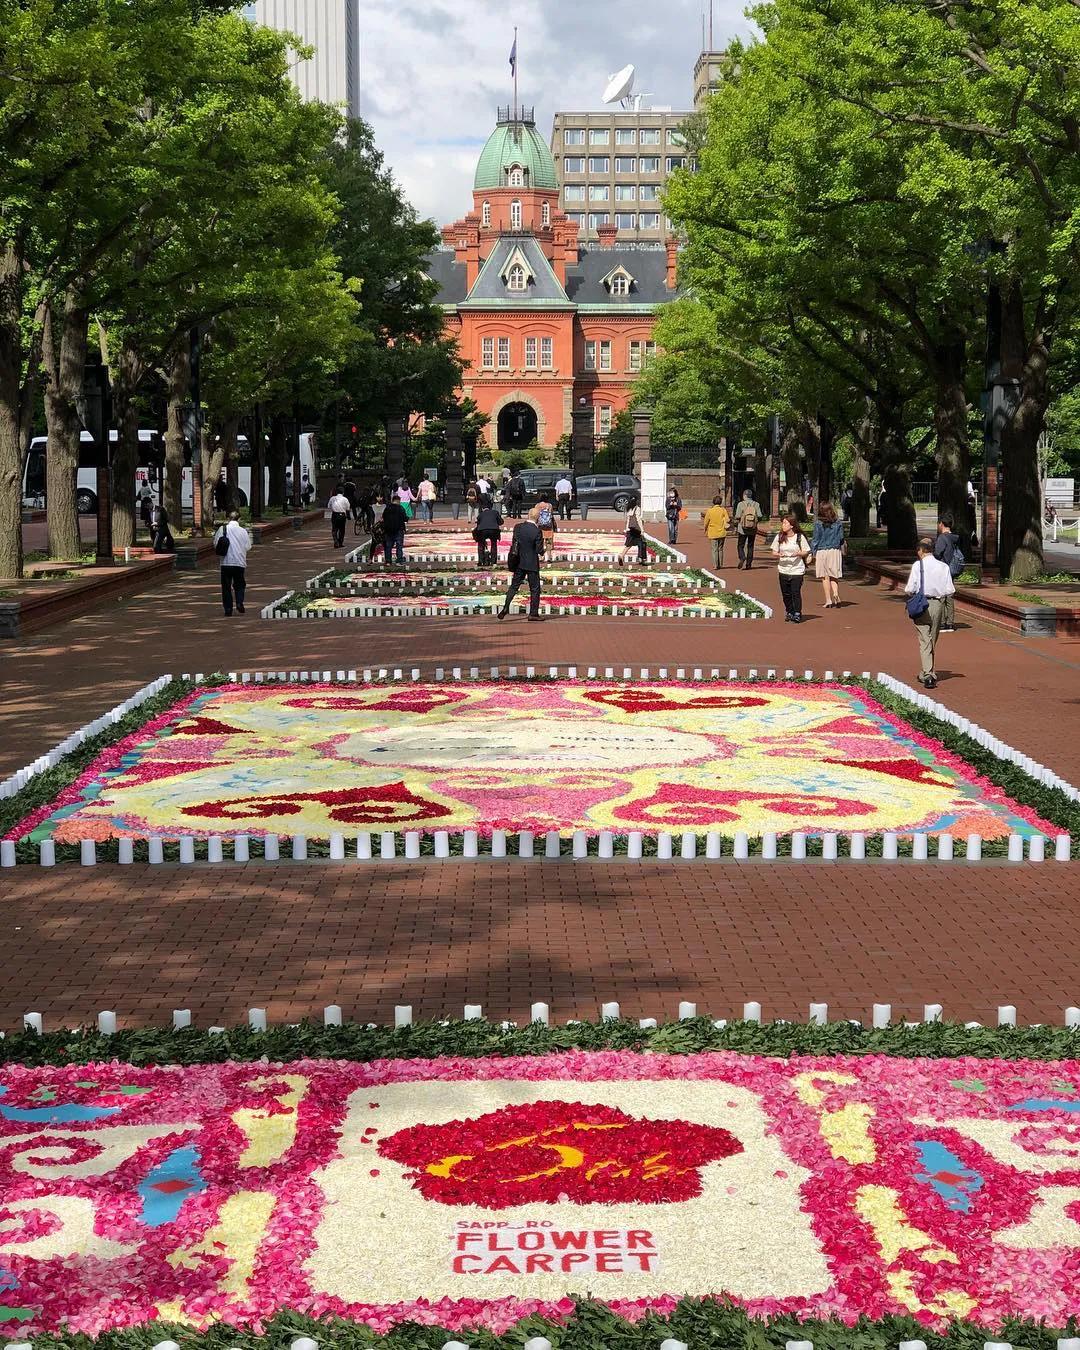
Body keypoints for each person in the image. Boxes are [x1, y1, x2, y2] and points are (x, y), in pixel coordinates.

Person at [904, 536, 956, 689]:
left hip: (922, 604)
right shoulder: (943, 567)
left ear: (921, 550)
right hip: (938, 604)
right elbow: (949, 590)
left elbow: (910, 588)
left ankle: (928, 674)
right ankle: (928, 671)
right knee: (932, 638)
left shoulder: (917, 565)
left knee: (924, 639)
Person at [498, 506, 545, 621]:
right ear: (538, 518)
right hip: (532, 563)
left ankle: (505, 608)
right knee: (534, 589)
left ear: (528, 515)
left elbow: (515, 543)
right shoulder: (537, 531)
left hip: (519, 562)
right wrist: (543, 549)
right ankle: (533, 613)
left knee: (514, 586)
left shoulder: (518, 527)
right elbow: (539, 550)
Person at [770, 512, 811, 623]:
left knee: (795, 592)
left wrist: (798, 553)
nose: (783, 525)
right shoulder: (779, 537)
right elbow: (774, 551)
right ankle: (789, 611)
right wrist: (779, 554)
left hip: (797, 570)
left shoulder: (799, 537)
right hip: (783, 569)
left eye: (785, 523)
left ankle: (797, 613)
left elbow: (806, 551)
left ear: (791, 525)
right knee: (786, 594)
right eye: (782, 523)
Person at [810, 502, 846, 608]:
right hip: (834, 551)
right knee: (834, 575)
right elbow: (841, 538)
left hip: (822, 551)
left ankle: (828, 600)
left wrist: (813, 552)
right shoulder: (838, 523)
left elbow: (816, 539)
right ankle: (835, 593)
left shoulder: (818, 523)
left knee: (825, 576)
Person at [215, 511, 251, 616]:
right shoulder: (243, 531)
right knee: (239, 584)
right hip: (239, 562)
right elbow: (248, 546)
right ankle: (239, 602)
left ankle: (228, 609)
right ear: (239, 519)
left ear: (228, 518)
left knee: (226, 587)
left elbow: (216, 544)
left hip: (225, 562)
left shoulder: (222, 529)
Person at [933, 513, 963, 633]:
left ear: (941, 524)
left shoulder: (942, 538)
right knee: (949, 596)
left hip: (942, 570)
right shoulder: (955, 538)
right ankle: (950, 623)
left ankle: (941, 623)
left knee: (941, 596)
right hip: (952, 568)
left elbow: (937, 554)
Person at [734, 489, 762, 569]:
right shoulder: (756, 504)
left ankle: (742, 557)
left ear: (744, 495)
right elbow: (760, 515)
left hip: (742, 529)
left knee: (740, 545)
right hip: (753, 529)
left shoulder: (741, 504)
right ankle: (749, 564)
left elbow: (738, 516)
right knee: (750, 546)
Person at [701, 493, 730, 570]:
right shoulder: (723, 510)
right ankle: (721, 564)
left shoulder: (710, 511)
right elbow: (727, 520)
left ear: (713, 502)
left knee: (714, 549)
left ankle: (715, 565)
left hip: (713, 532)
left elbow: (706, 522)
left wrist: (705, 529)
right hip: (722, 532)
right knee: (720, 549)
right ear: (720, 502)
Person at [619, 496, 648, 566]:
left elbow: (628, 520)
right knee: (641, 543)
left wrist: (627, 529)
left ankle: (622, 555)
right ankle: (642, 559)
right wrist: (642, 530)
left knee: (628, 544)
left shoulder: (628, 509)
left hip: (630, 529)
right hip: (636, 530)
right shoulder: (637, 508)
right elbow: (638, 519)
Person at [474, 497, 503, 565]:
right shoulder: (495, 512)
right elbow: (501, 522)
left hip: (482, 530)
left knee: (480, 544)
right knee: (493, 544)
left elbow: (478, 524)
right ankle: (493, 561)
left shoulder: (480, 514)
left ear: (483, 508)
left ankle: (481, 561)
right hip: (494, 530)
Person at [381, 494, 408, 564]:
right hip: (399, 529)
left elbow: (383, 517)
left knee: (388, 546)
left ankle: (388, 561)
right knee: (399, 546)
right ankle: (399, 560)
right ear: (398, 501)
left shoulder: (387, 508)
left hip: (388, 530)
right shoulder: (401, 508)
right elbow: (405, 518)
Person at [327, 482, 352, 548]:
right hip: (342, 515)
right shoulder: (345, 499)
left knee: (334, 529)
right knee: (342, 529)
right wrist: (348, 517)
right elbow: (348, 509)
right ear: (343, 492)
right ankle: (340, 543)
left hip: (335, 515)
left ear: (336, 492)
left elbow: (328, 506)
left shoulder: (332, 498)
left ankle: (335, 541)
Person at [536, 493, 556, 564]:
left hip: (540, 527)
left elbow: (536, 515)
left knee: (540, 542)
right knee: (548, 542)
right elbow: (551, 515)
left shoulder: (537, 505)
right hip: (548, 526)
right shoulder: (549, 505)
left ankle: (541, 557)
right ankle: (549, 557)